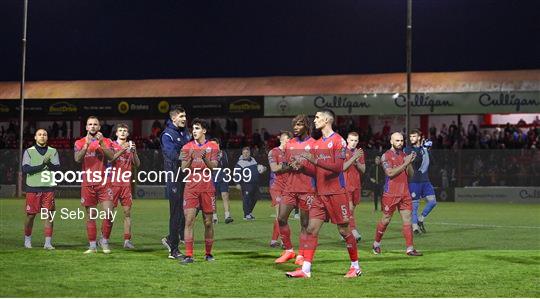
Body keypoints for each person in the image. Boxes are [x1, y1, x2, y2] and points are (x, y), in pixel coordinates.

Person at [286, 109, 361, 279]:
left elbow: (338, 167)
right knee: (312, 229)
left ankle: (355, 266)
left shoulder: (338, 141)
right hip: (320, 194)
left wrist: (314, 160)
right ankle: (306, 270)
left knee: (344, 230)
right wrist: (302, 166)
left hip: (336, 193)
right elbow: (316, 171)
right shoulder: (317, 143)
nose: (315, 120)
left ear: (327, 120)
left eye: (318, 118)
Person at [372, 132, 422, 256]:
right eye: (397, 140)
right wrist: (405, 163)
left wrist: (409, 162)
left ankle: (410, 248)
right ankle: (376, 244)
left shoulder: (405, 155)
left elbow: (410, 175)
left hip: (405, 193)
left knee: (407, 220)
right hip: (391, 193)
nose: (400, 143)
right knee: (386, 220)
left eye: (401, 141)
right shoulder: (386, 156)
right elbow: (389, 173)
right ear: (391, 141)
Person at [275, 115, 316, 265]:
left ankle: (302, 255)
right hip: (290, 188)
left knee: (304, 224)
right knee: (281, 218)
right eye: (294, 125)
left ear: (306, 126)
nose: (296, 128)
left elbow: (317, 169)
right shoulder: (290, 144)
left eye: (299, 125)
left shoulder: (313, 144)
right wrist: (290, 166)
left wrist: (303, 167)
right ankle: (289, 251)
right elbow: (284, 166)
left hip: (307, 189)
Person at [179, 119, 219, 264]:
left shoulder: (213, 147)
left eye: (197, 128)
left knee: (208, 222)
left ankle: (208, 254)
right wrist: (191, 157)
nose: (194, 131)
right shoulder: (186, 147)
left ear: (204, 131)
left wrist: (203, 158)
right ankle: (189, 255)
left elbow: (214, 167)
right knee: (189, 221)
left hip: (207, 189)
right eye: (193, 129)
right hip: (191, 189)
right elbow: (183, 168)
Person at [74, 116, 115, 254]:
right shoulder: (79, 142)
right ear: (86, 127)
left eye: (95, 124)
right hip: (88, 183)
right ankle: (92, 246)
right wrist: (86, 145)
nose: (92, 126)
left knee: (109, 213)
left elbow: (111, 157)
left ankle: (104, 241)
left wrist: (102, 143)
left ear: (99, 127)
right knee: (91, 215)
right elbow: (77, 159)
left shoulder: (107, 141)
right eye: (90, 124)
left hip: (104, 182)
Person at [160, 107, 191, 259]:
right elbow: (171, 155)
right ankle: (174, 250)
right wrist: (190, 155)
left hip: (187, 175)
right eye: (181, 116)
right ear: (174, 118)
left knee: (191, 209)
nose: (184, 118)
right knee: (176, 212)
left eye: (185, 116)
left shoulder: (186, 132)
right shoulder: (167, 135)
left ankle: (170, 239)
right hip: (174, 176)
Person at [22, 129, 60, 250]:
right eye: (40, 134)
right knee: (31, 215)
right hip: (33, 187)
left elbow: (56, 169)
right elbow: (26, 169)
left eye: (44, 134)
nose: (42, 136)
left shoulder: (53, 151)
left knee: (49, 215)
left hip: (48, 187)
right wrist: (43, 165)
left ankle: (48, 243)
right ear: (35, 137)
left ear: (47, 137)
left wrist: (48, 164)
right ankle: (27, 239)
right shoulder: (29, 151)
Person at [109, 124, 140, 248]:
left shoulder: (131, 146)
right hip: (113, 183)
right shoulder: (111, 145)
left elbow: (137, 164)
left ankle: (127, 240)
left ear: (128, 134)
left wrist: (134, 153)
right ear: (116, 133)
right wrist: (123, 149)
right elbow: (110, 159)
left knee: (127, 213)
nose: (122, 133)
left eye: (125, 131)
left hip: (126, 184)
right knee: (110, 213)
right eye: (120, 130)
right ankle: (104, 237)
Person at [404, 129, 437, 234]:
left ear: (419, 137)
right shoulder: (408, 149)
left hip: (425, 180)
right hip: (414, 181)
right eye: (410, 137)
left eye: (414, 136)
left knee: (432, 202)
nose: (412, 138)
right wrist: (423, 149)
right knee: (414, 206)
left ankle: (420, 219)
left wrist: (427, 150)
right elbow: (416, 161)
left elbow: (434, 162)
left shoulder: (424, 149)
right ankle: (415, 228)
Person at [267, 131, 292, 248]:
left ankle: (274, 240)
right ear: (282, 140)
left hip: (288, 188)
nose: (289, 142)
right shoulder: (273, 152)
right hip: (276, 187)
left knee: (283, 216)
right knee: (280, 215)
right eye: (287, 140)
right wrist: (289, 166)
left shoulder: (291, 153)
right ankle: (282, 241)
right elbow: (274, 168)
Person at [343, 132, 365, 241]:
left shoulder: (359, 152)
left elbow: (363, 169)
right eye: (351, 140)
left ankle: (344, 231)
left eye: (356, 140)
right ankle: (353, 231)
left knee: (351, 210)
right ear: (347, 140)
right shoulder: (342, 151)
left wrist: (357, 162)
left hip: (356, 184)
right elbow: (342, 167)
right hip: (346, 185)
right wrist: (353, 158)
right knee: (349, 208)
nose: (353, 143)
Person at [235, 147, 263, 220]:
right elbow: (236, 173)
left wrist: (262, 169)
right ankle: (246, 214)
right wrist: (237, 183)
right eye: (244, 153)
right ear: (242, 153)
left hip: (255, 183)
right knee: (246, 198)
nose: (245, 154)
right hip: (246, 183)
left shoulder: (253, 160)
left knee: (255, 197)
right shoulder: (240, 163)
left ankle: (249, 212)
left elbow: (257, 169)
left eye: (247, 153)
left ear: (249, 153)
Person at [210, 138, 233, 224]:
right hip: (212, 177)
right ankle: (214, 217)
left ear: (218, 144)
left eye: (214, 144)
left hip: (222, 177)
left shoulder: (223, 153)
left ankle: (227, 216)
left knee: (225, 195)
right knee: (213, 198)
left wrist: (219, 156)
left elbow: (226, 164)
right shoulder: (209, 154)